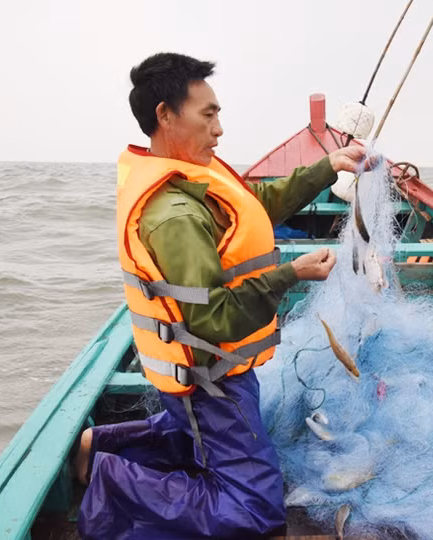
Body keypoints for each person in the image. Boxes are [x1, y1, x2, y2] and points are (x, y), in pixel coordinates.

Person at [73, 52, 369, 539]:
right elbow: (208, 319)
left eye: (218, 114)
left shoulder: (192, 178)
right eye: (207, 115)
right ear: (166, 115)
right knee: (255, 510)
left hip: (211, 372)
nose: (219, 129)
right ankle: (111, 478)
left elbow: (257, 208)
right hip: (207, 379)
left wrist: (326, 167)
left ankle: (105, 442)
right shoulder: (175, 214)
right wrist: (289, 274)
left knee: (190, 436)